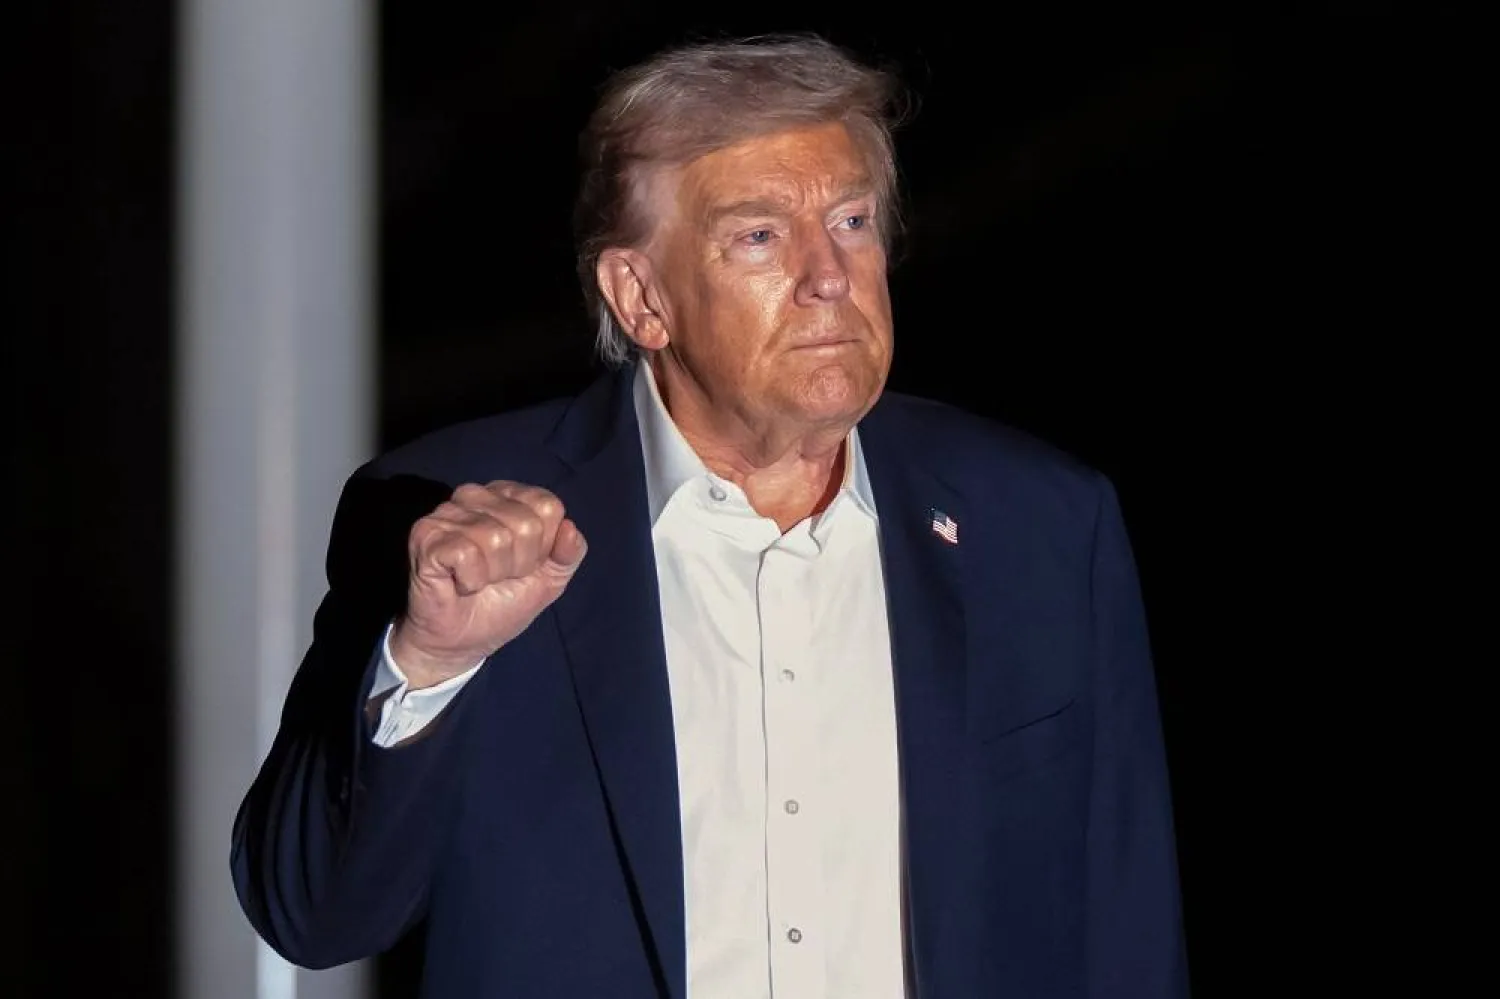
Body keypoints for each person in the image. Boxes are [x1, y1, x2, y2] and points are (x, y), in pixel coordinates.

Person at [231, 34, 1189, 999]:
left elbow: (1126, 929)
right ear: (642, 297)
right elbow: (312, 917)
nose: (828, 275)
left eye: (851, 220)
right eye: (760, 235)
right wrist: (429, 664)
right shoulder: (453, 522)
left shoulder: (1042, 525)